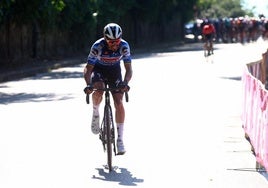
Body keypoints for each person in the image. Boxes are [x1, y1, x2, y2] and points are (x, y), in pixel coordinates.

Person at [83, 23, 133, 155]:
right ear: (105, 39)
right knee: (98, 89)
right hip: (98, 69)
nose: (114, 44)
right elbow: (88, 69)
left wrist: (125, 82)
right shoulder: (97, 46)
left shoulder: (124, 46)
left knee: (118, 102)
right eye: (111, 42)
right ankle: (95, 112)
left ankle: (120, 140)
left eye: (117, 41)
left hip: (114, 71)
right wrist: (89, 84)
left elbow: (128, 69)